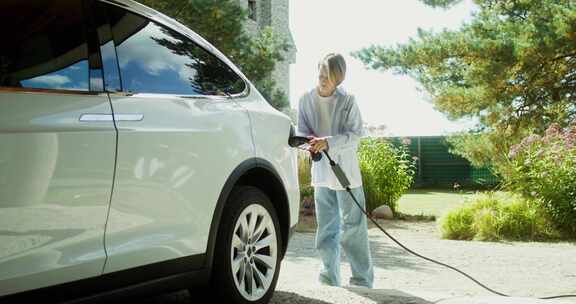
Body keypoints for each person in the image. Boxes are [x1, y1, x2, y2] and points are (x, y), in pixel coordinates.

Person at [297, 53, 374, 288]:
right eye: (320, 74)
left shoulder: (348, 100)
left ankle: (361, 280)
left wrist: (328, 142)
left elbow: (355, 135)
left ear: (338, 78)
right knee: (326, 230)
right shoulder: (305, 100)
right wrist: (308, 145)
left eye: (327, 76)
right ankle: (329, 279)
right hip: (321, 175)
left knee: (354, 229)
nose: (322, 79)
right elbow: (301, 134)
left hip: (346, 175)